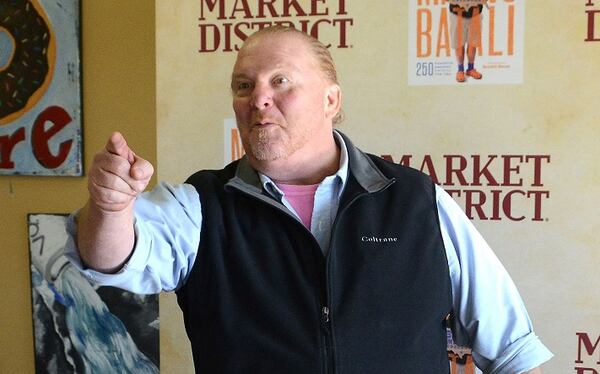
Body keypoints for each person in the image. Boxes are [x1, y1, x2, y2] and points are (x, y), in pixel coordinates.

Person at [65, 26, 552, 373]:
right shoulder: (201, 205)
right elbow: (110, 261)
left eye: (280, 81)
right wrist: (110, 208)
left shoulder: (415, 200)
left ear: (330, 100)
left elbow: (512, 349)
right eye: (244, 85)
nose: (258, 98)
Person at [449, 1, 486, 83]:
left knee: (473, 43)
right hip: (457, 13)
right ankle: (460, 70)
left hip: (475, 12)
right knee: (458, 42)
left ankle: (471, 69)